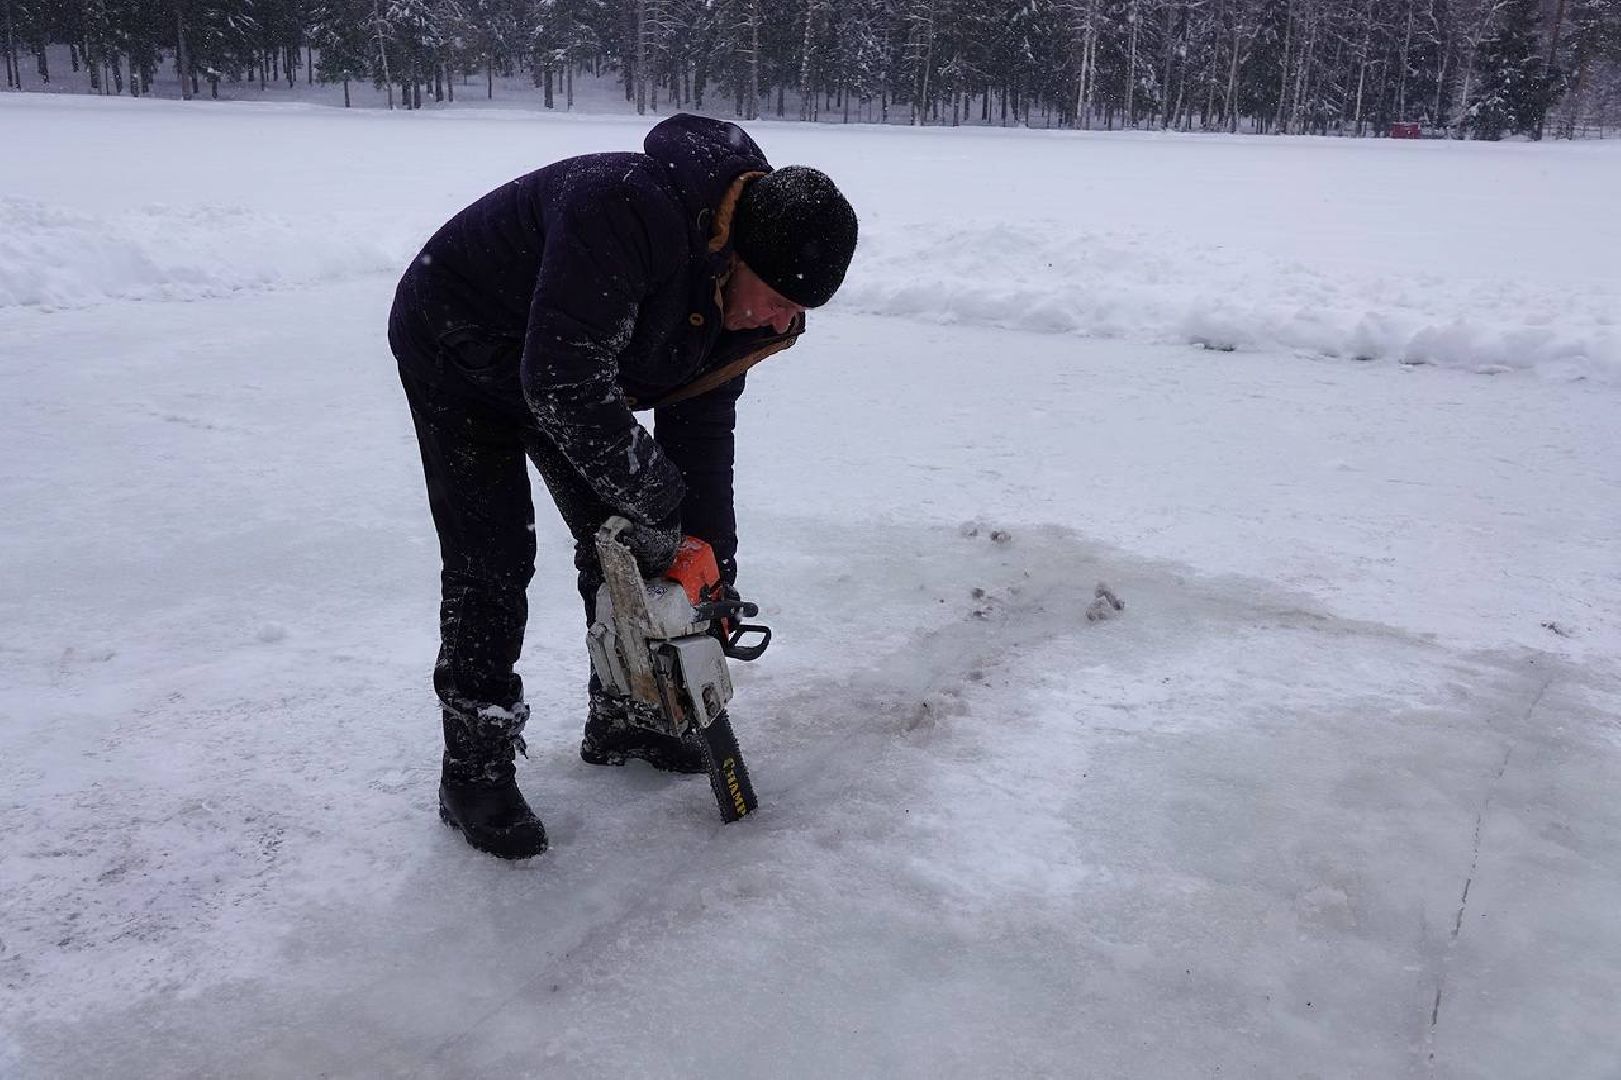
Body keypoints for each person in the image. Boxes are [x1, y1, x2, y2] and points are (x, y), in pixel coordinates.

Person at [387, 114, 859, 860]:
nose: (784, 320)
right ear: (733, 255)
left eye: (799, 311)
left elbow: (699, 440)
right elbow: (561, 381)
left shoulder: (745, 313)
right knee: (492, 556)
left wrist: (708, 569)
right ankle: (473, 767)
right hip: (459, 339)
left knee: (634, 538)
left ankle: (627, 716)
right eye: (776, 297)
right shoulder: (625, 206)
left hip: (567, 370)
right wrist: (657, 503)